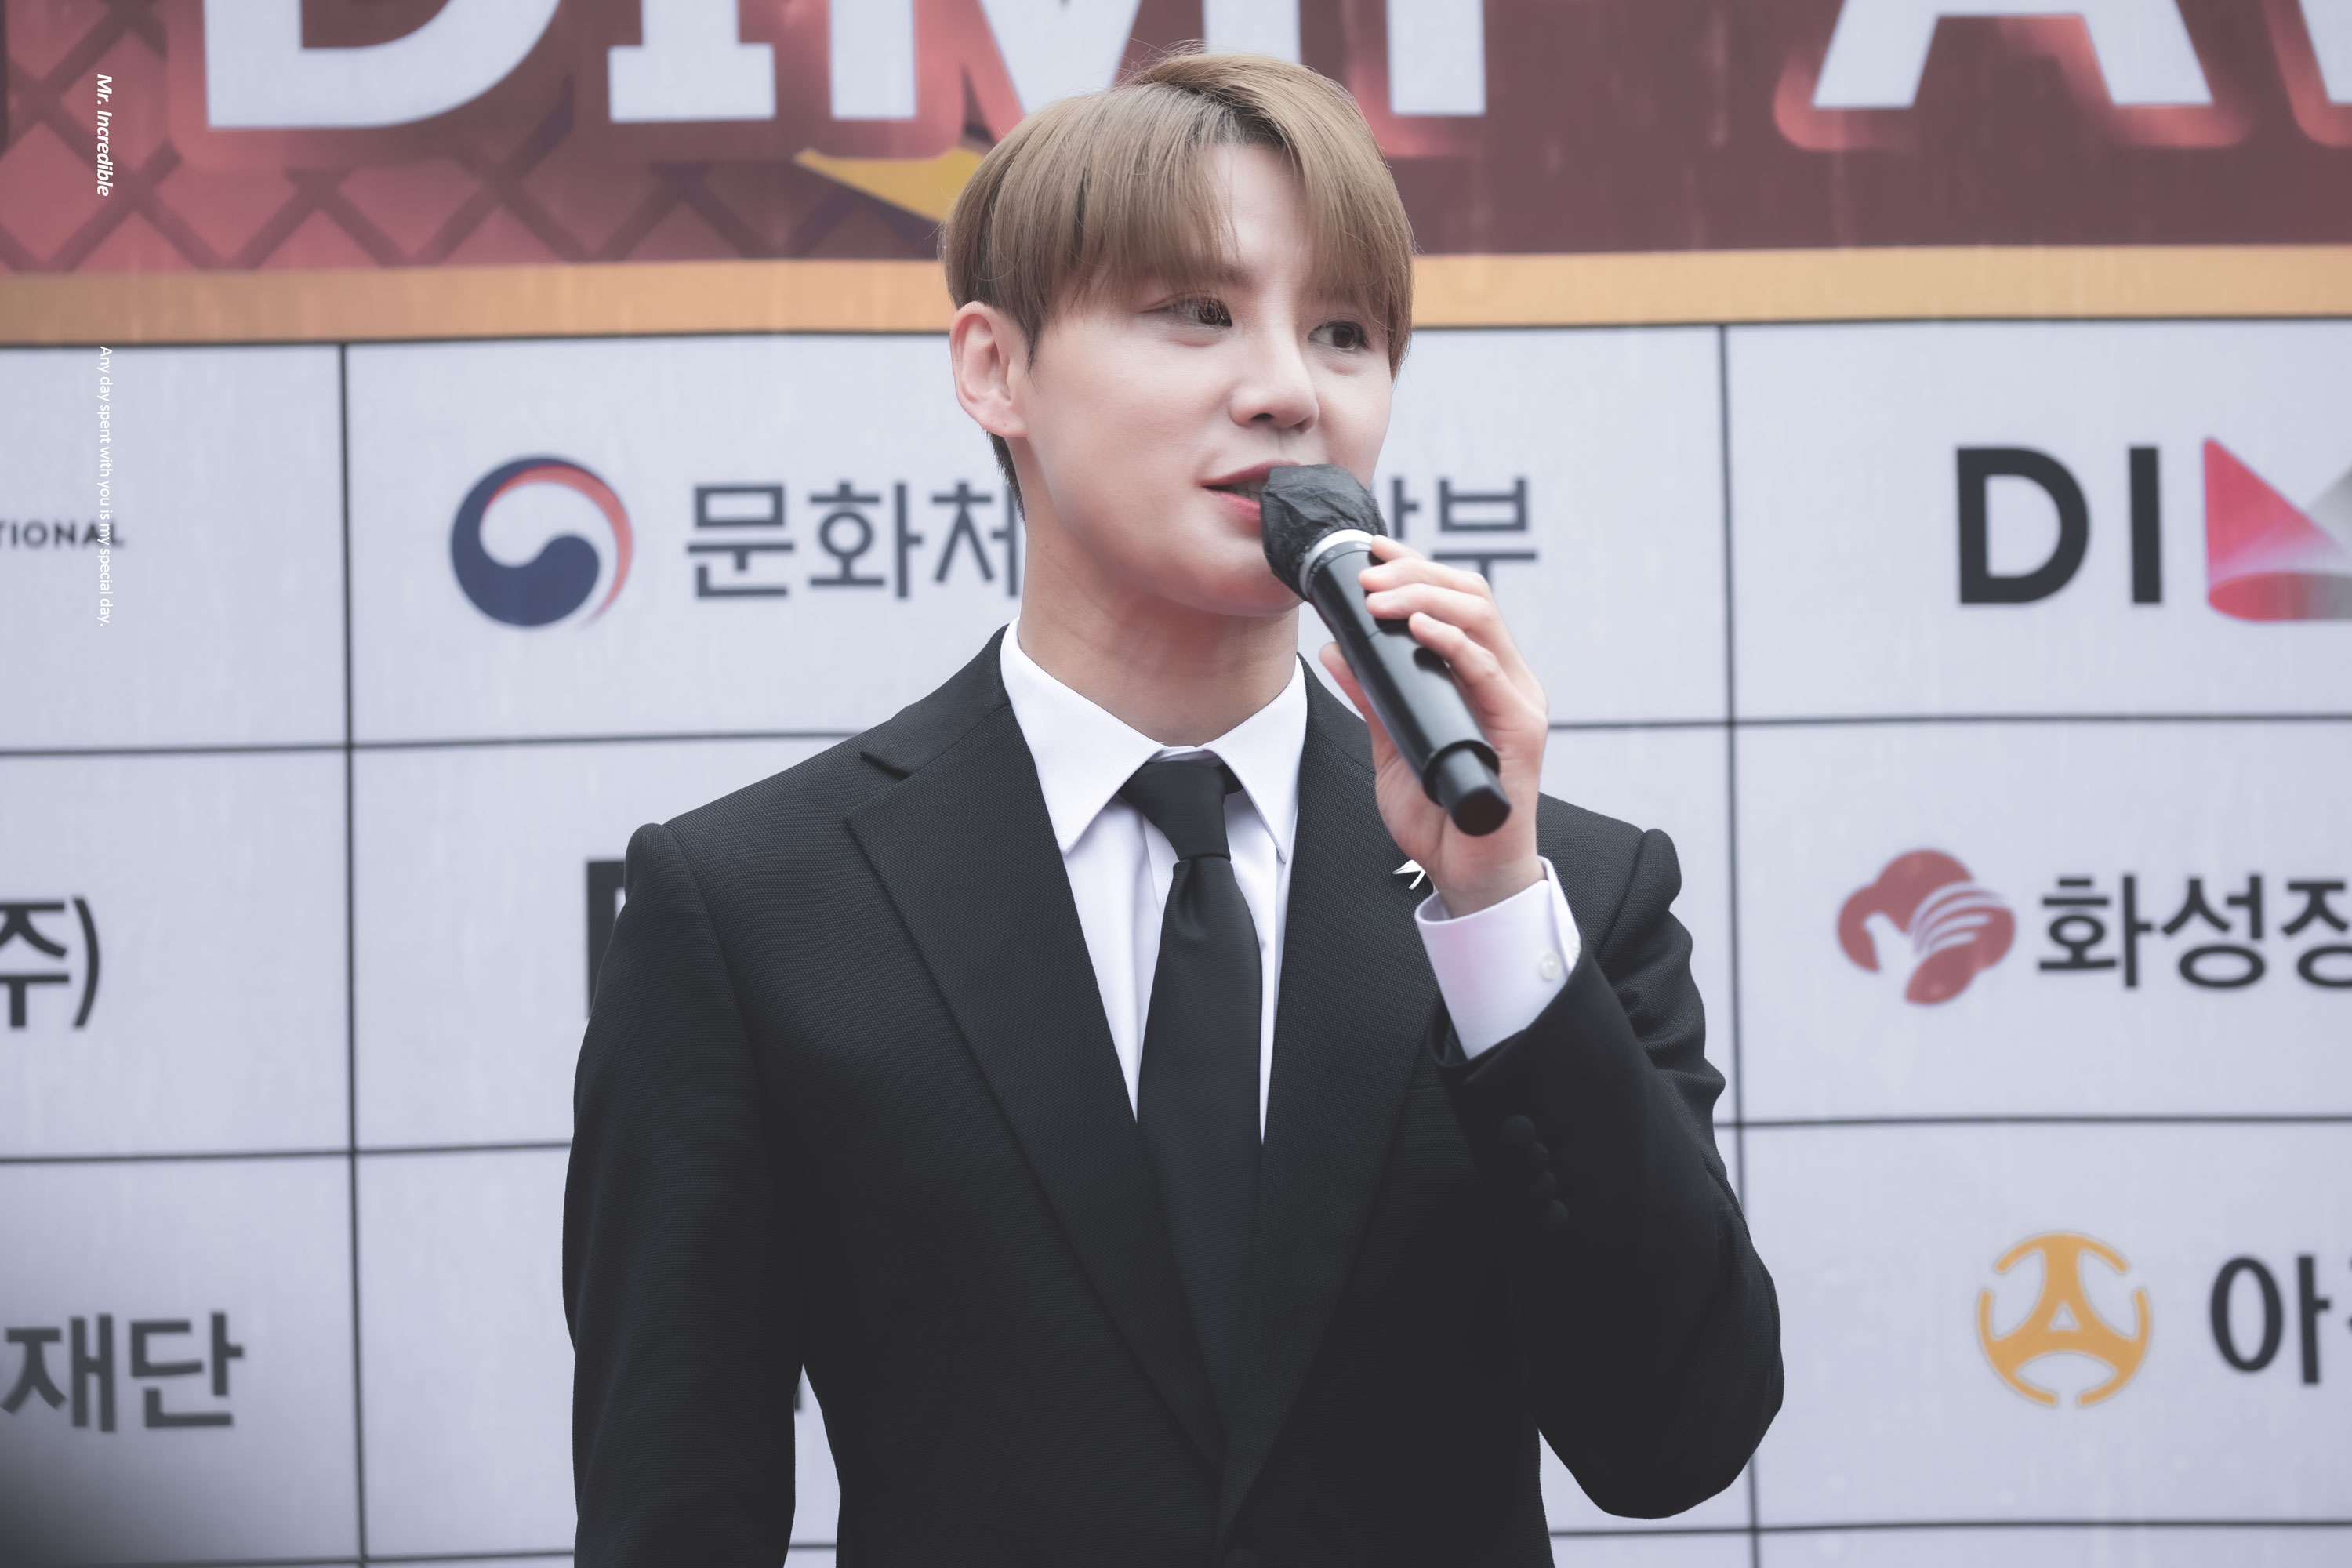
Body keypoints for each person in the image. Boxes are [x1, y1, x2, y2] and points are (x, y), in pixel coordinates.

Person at [564, 49, 1779, 1567]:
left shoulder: (1560, 894)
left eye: (1342, 331)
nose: (1287, 389)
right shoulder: (755, 908)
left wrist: (1493, 912)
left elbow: (1676, 1435)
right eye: (1198, 311)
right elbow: (672, 1509)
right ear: (995, 369)